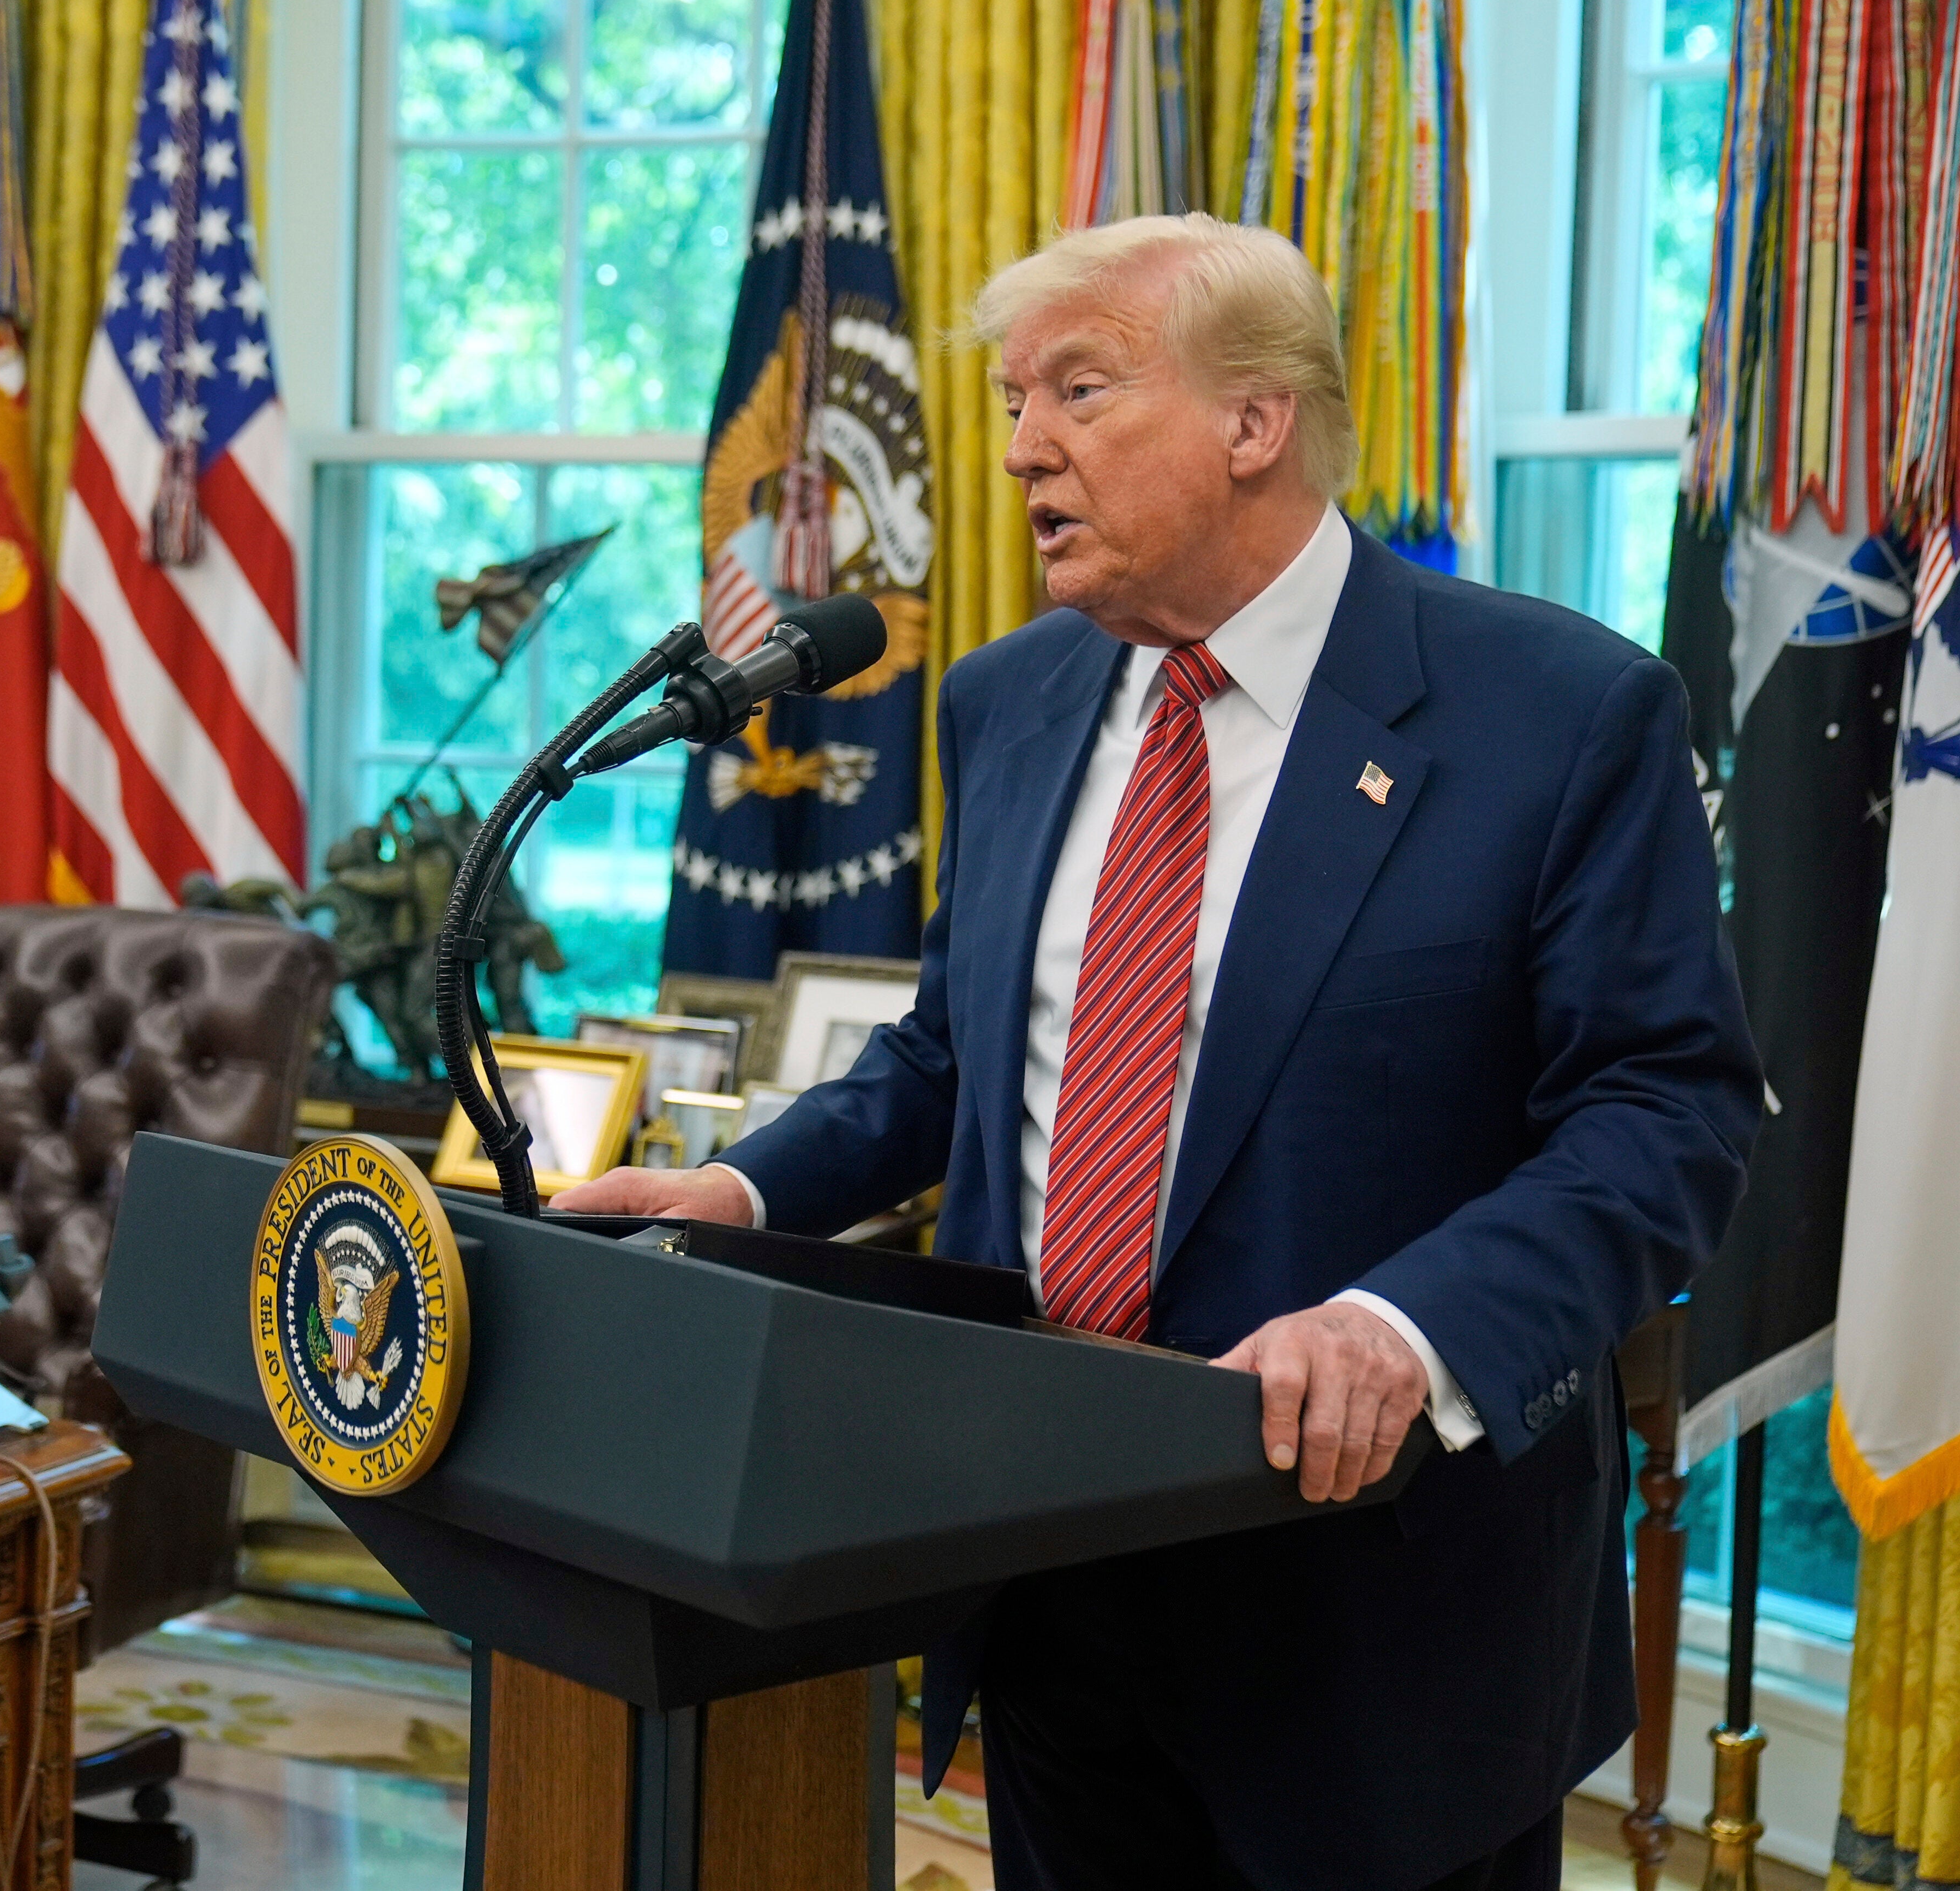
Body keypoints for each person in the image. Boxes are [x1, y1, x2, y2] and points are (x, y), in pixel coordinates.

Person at [555, 214, 1757, 1891]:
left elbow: (1662, 1116)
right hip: (1045, 1571)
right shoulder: (1011, 700)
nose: (1020, 446)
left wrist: (1407, 1326)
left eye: (1079, 389)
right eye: (1013, 401)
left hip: (1378, 1614)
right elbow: (950, 1057)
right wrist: (747, 1187)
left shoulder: (1557, 713)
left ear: (1255, 421)